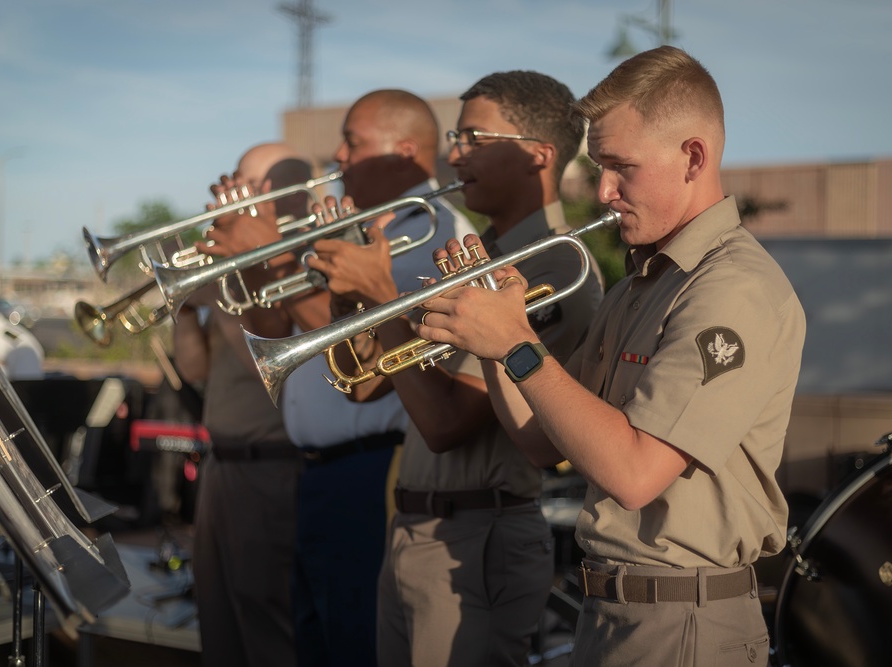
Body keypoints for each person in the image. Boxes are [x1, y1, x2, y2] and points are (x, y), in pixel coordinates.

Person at [416, 46, 807, 665]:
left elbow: (633, 472)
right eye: (600, 166)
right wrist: (492, 339)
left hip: (683, 620)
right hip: (613, 611)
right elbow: (541, 441)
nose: (603, 191)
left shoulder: (732, 288)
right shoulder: (638, 286)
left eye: (621, 167)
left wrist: (516, 344)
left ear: (694, 157)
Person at [307, 71, 603, 666]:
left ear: (537, 156)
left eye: (473, 137)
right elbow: (364, 384)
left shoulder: (551, 267)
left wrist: (381, 291)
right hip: (416, 530)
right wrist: (351, 299)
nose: (454, 153)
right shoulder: (478, 257)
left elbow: (445, 424)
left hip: (476, 539)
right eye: (455, 135)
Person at [277, 89, 471, 667]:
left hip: (372, 469)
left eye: (352, 141)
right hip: (323, 472)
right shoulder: (369, 224)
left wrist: (286, 264)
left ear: (402, 149)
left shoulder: (435, 231)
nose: (338, 155)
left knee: (355, 643)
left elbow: (370, 357)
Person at [172, 141, 313, 667]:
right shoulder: (235, 268)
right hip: (221, 465)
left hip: (272, 466)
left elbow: (270, 358)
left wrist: (225, 297)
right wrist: (186, 311)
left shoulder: (299, 263)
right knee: (220, 625)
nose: (228, 193)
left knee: (268, 628)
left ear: (278, 193)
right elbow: (198, 372)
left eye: (243, 184)